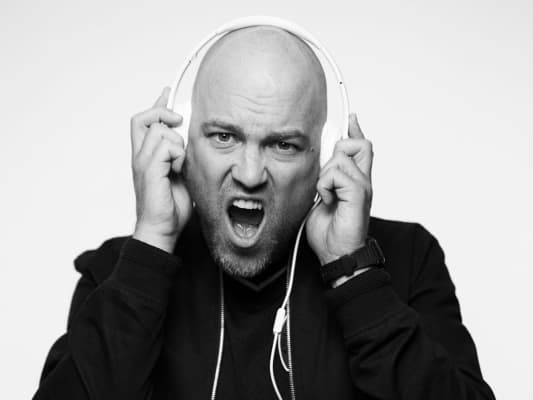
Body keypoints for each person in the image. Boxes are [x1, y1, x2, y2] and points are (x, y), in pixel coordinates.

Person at [33, 26, 495, 400]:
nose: (250, 174)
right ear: (182, 143)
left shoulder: (405, 259)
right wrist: (152, 241)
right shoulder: (121, 271)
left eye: (283, 144)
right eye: (223, 136)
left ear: (324, 155)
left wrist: (352, 274)